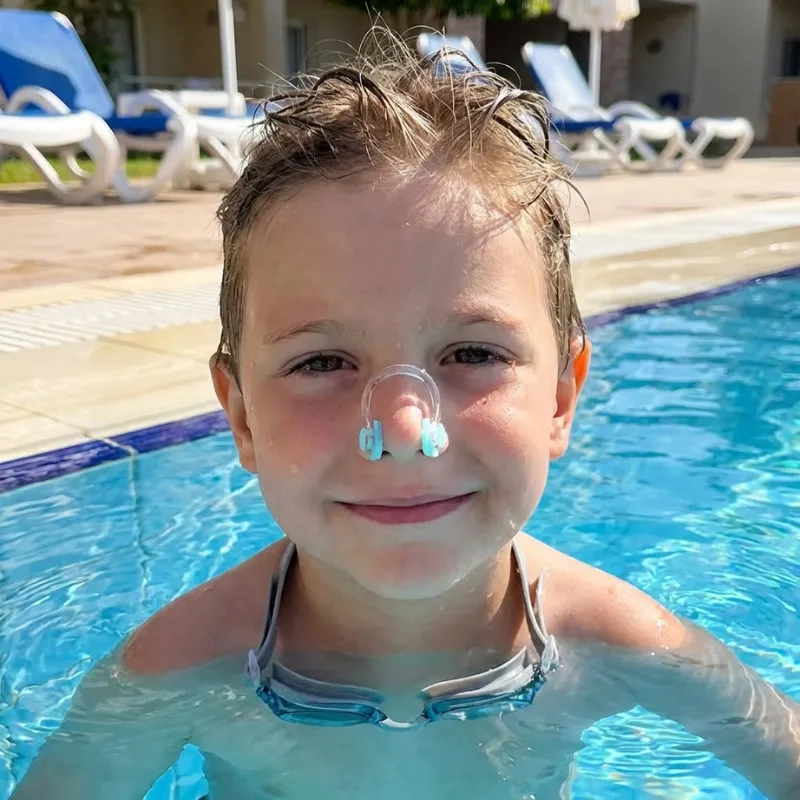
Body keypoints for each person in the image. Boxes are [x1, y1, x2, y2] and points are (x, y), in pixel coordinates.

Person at [11, 30, 799, 800]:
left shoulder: (622, 644)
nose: (402, 433)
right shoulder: (180, 667)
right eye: (322, 362)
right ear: (241, 418)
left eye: (473, 353)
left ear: (561, 398)